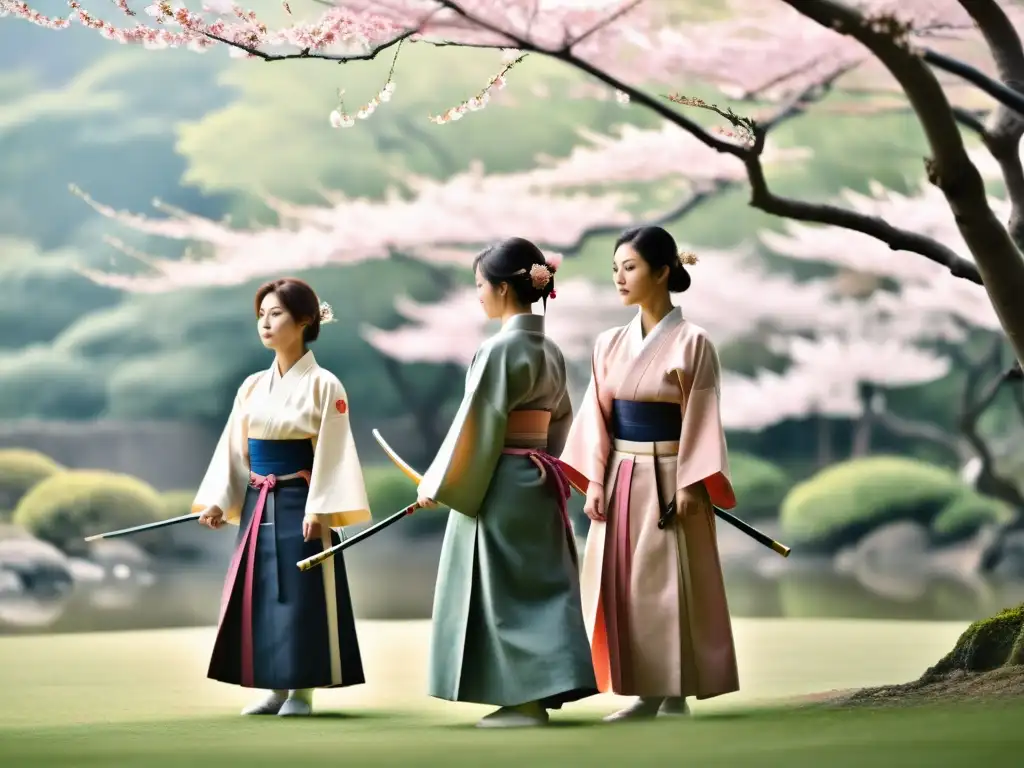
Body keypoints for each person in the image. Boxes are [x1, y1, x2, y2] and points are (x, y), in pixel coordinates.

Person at [416, 237, 598, 729]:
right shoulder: (552, 351)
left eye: (480, 285)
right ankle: (541, 690)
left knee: (504, 594)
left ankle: (521, 700)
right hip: (539, 479)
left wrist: (439, 483)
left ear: (501, 288)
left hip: (499, 481)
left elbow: (478, 424)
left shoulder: (498, 350)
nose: (478, 294)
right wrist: (542, 459)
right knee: (541, 587)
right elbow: (561, 421)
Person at [559, 225, 739, 722]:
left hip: (670, 475)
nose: (619, 278)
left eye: (630, 267)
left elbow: (702, 417)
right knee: (623, 584)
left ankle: (670, 689)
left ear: (662, 272)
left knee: (667, 585)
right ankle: (647, 686)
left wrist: (689, 482)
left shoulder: (694, 342)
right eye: (614, 268)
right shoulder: (607, 344)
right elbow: (595, 414)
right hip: (620, 473)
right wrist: (594, 479)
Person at [193, 277, 371, 717]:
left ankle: (301, 691)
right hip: (258, 500)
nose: (265, 323)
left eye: (276, 314)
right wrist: (220, 499)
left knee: (301, 592)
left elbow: (333, 451)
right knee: (260, 591)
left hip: (301, 500)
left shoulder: (325, 384)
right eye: (261, 315)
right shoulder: (252, 385)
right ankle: (272, 686)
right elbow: (235, 450)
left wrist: (321, 509)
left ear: (305, 320)